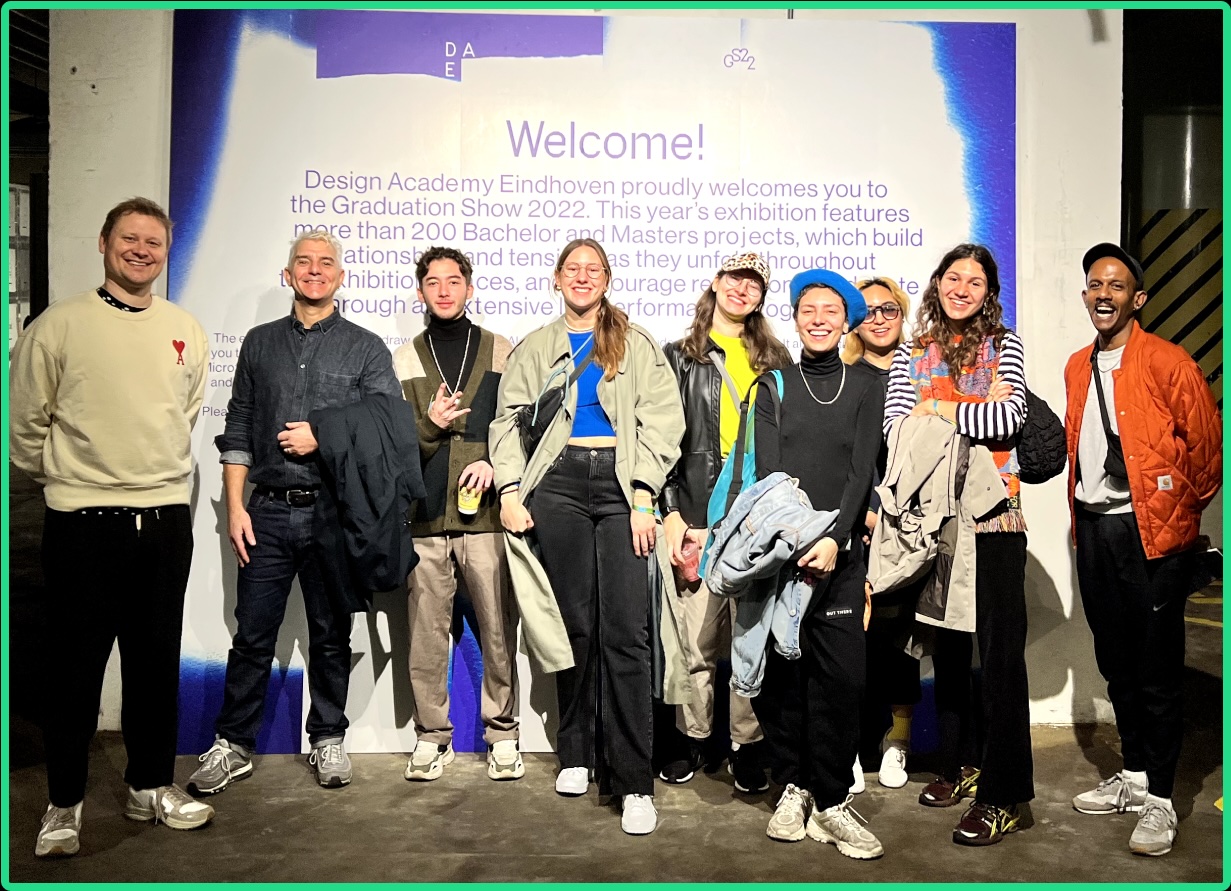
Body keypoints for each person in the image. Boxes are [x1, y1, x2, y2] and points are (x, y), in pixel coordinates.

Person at [10, 197, 214, 857]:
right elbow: (24, 431)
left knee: (155, 664)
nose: (141, 250)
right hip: (84, 526)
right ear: (104, 243)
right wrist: (83, 480)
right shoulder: (58, 326)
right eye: (129, 239)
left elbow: (182, 414)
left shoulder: (185, 326)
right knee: (74, 669)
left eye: (153, 242)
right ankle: (63, 802)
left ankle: (150, 783)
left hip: (163, 522)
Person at [189, 228, 402, 795]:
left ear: (340, 275)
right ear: (287, 274)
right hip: (267, 512)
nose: (314, 270)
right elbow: (237, 424)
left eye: (325, 262)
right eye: (303, 262)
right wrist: (235, 507)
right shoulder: (259, 343)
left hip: (335, 514)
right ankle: (233, 744)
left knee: (332, 635)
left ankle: (328, 737)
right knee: (252, 635)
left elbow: (387, 425)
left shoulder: (366, 347)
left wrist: (324, 437)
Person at [490, 238, 685, 835]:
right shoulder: (537, 346)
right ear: (556, 279)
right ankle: (576, 751)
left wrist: (645, 494)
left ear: (606, 280)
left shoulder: (638, 342)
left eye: (593, 269)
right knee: (574, 625)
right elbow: (507, 421)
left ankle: (633, 781)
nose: (582, 277)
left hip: (623, 485)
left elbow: (663, 422)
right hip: (559, 484)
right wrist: (509, 490)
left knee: (626, 632)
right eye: (572, 269)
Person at [1065, 243, 1221, 856]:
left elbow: (1205, 458)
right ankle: (1132, 777)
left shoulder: (1168, 361)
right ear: (1085, 297)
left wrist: (1172, 515)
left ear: (1139, 299)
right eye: (1094, 285)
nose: (1103, 295)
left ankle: (1161, 797)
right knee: (1115, 660)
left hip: (1149, 534)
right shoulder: (1079, 364)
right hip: (1094, 528)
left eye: (1116, 286)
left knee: (1157, 671)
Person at [883, 243, 1033, 846]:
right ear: (937, 284)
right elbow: (898, 433)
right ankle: (962, 765)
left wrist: (940, 407)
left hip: (995, 517)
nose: (962, 288)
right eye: (953, 278)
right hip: (934, 524)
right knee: (945, 652)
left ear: (988, 291)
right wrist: (967, 411)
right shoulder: (910, 354)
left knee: (999, 659)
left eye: (975, 280)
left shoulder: (1007, 346)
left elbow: (1010, 421)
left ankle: (1006, 794)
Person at [752, 269, 886, 860]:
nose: (818, 318)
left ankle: (832, 800)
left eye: (831, 309)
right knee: (783, 676)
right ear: (796, 316)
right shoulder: (773, 384)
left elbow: (862, 470)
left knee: (841, 679)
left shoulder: (865, 385)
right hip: (782, 553)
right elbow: (767, 473)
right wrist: (796, 537)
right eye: (808, 308)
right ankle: (795, 786)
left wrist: (834, 536)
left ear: (846, 319)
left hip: (841, 554)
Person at [658, 252, 791, 792]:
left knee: (748, 637)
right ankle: (692, 739)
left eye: (753, 283)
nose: (742, 289)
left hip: (755, 519)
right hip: (697, 517)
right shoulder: (678, 356)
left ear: (761, 296)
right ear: (716, 283)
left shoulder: (777, 357)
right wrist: (669, 511)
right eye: (734, 278)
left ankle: (746, 746)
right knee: (695, 643)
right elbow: (660, 441)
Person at [393, 246, 522, 782]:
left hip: (487, 518)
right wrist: (428, 425)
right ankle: (431, 737)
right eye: (432, 282)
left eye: (454, 281)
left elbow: (520, 423)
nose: (444, 290)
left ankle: (504, 735)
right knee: (426, 635)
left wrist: (494, 459)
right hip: (424, 516)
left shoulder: (500, 350)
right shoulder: (402, 359)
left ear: (470, 288)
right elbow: (396, 445)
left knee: (497, 630)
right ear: (421, 291)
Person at [845, 278, 918, 791]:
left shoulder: (918, 373)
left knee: (901, 644)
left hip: (909, 532)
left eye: (889, 307)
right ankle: (847, 746)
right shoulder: (843, 377)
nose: (879, 316)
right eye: (867, 309)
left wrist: (897, 523)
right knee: (848, 642)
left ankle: (897, 745)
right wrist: (866, 517)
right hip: (856, 527)